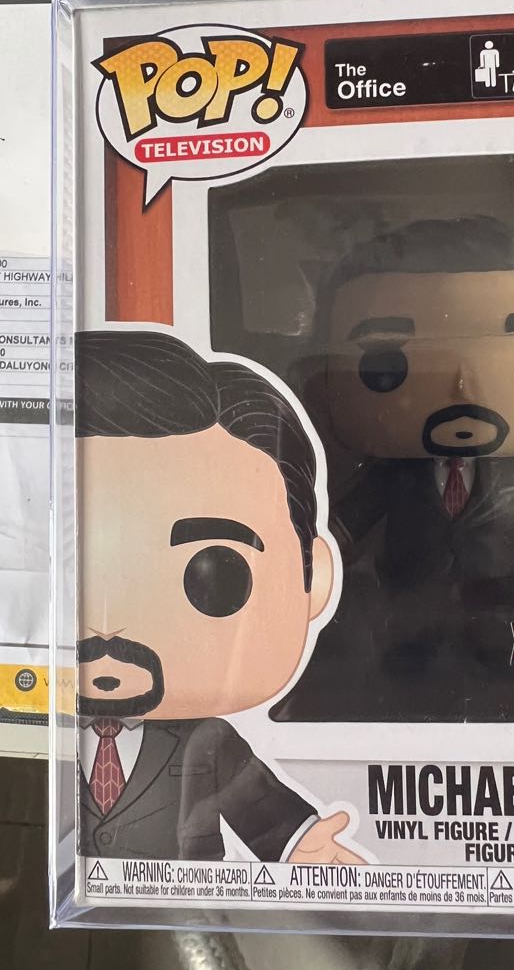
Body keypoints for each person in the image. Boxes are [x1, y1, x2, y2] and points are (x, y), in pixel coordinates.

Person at [75, 330, 361, 864]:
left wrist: (301, 846)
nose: (110, 627)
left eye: (216, 576)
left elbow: (262, 811)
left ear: (315, 578)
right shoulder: (29, 719)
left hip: (185, 905)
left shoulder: (208, 742)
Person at [319, 217, 514, 691]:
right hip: (412, 576)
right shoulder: (396, 469)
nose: (461, 387)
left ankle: (498, 662)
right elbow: (362, 505)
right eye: (384, 359)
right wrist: (332, 537)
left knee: (497, 639)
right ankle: (409, 664)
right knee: (409, 642)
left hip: (498, 574)